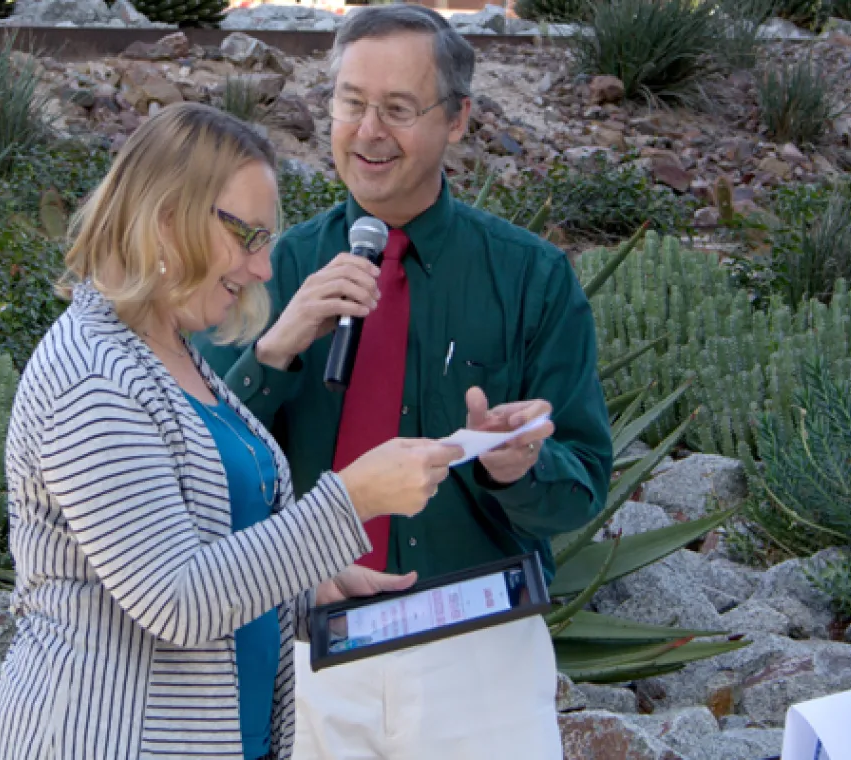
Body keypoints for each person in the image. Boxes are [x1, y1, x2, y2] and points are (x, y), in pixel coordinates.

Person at [0, 101, 463, 760]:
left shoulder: (171, 352)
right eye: (248, 236)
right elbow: (177, 600)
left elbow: (212, 541)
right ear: (167, 218)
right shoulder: (90, 379)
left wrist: (311, 585)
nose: (264, 268)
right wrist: (350, 502)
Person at [194, 6, 613, 759]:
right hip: (308, 644)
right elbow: (197, 472)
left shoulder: (531, 279)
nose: (368, 132)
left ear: (457, 120)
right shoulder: (270, 266)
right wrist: (277, 351)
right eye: (351, 103)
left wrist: (518, 467)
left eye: (397, 108)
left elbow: (582, 485)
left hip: (478, 653)